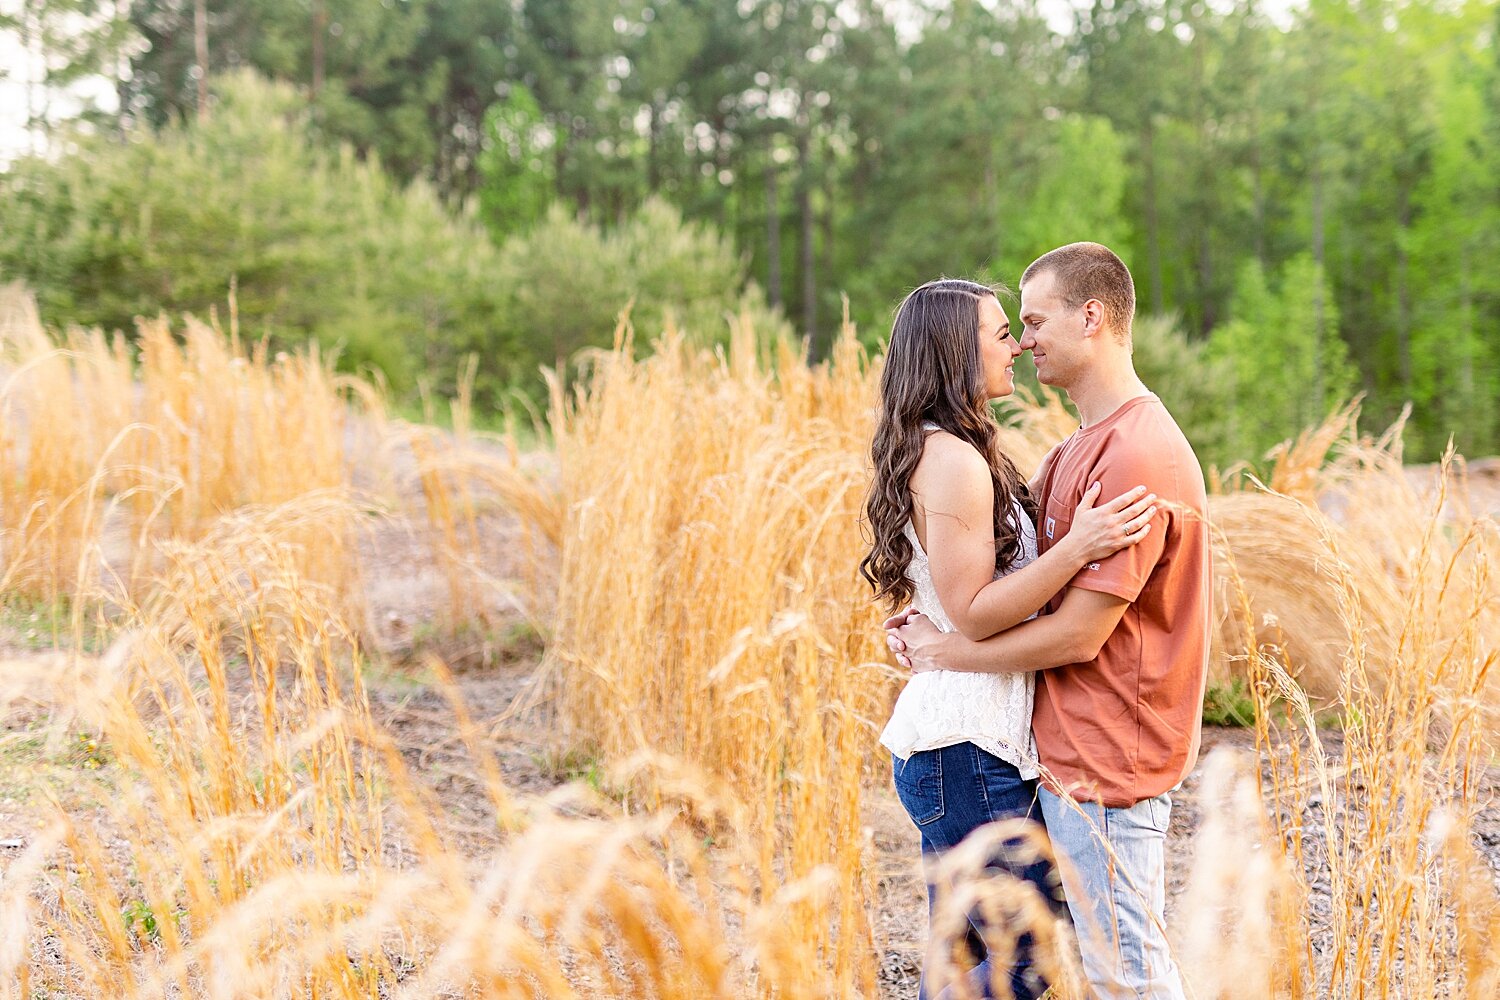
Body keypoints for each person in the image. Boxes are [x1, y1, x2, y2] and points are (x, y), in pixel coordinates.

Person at [886, 244, 1211, 1000]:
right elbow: (982, 584)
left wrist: (946, 647)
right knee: (1001, 969)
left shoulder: (1135, 454)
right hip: (1011, 748)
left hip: (1106, 762)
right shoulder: (1066, 451)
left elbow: (1078, 632)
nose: (1024, 341)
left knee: (1096, 972)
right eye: (1008, 330)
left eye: (1030, 322)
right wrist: (940, 632)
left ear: (1091, 317)